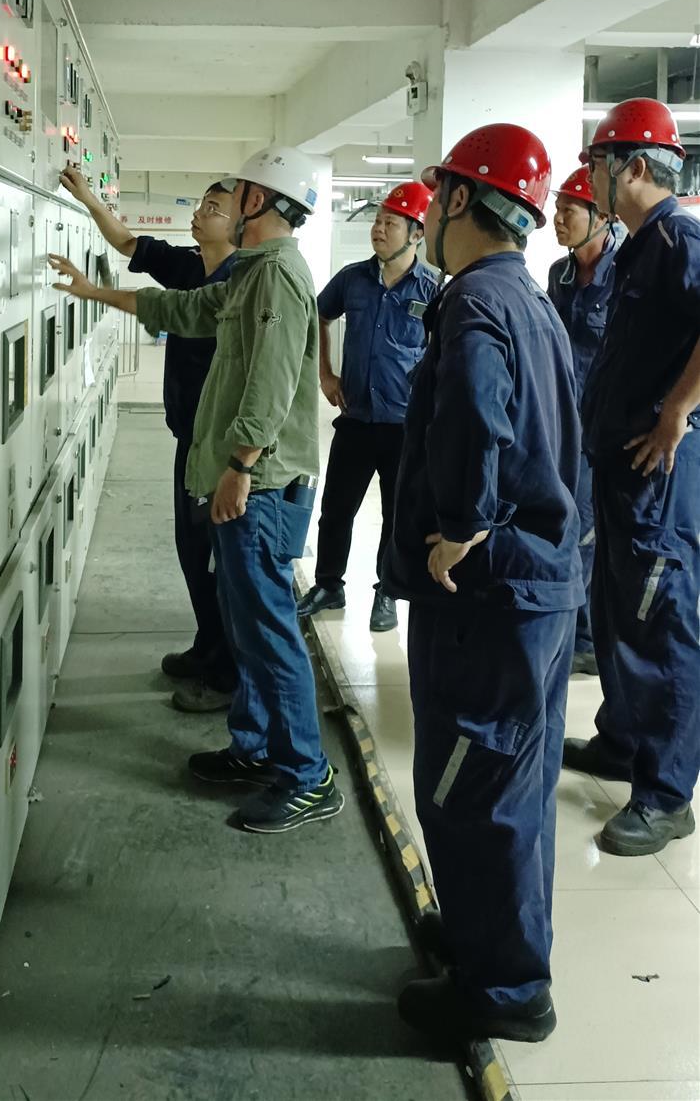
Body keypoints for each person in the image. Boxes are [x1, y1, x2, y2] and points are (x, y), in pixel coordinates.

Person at [51, 145, 344, 836]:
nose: (225, 202)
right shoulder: (251, 272)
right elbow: (183, 309)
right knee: (244, 626)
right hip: (243, 481)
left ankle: (308, 776)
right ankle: (255, 748)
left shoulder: (279, 276)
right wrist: (95, 293)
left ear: (256, 201)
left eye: (234, 193)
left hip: (262, 487)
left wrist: (239, 465)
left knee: (269, 631)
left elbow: (271, 383)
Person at [382, 123, 583, 1046]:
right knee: (515, 782)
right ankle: (486, 940)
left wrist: (461, 526)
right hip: (539, 586)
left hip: (490, 596)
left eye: (437, 195)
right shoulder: (529, 298)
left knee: (473, 782)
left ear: (461, 198)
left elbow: (474, 410)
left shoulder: (471, 304)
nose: (426, 215)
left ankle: (504, 988)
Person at [562, 99, 700, 858]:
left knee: (660, 622)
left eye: (598, 164)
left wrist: (678, 409)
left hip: (658, 475)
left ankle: (667, 794)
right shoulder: (639, 247)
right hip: (617, 466)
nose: (590, 178)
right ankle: (621, 739)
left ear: (635, 167)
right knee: (616, 609)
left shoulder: (680, 238)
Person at [58, 165, 238, 711]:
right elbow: (127, 242)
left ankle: (227, 675)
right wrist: (88, 197)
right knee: (192, 551)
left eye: (213, 209)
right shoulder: (189, 265)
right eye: (201, 204)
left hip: (221, 446)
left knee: (218, 559)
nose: (199, 214)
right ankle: (207, 646)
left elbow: (166, 309)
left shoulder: (239, 282)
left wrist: (94, 292)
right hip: (190, 436)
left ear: (240, 223)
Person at [296, 182, 438, 632]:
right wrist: (325, 373)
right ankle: (328, 585)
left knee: (396, 516)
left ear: (416, 233)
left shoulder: (433, 289)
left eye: (390, 223)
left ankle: (387, 592)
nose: (378, 229)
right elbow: (318, 315)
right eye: (377, 222)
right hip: (356, 419)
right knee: (337, 509)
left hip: (404, 427)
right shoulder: (352, 279)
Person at [547, 168, 620, 676]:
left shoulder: (626, 274)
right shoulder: (559, 274)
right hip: (561, 427)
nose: (557, 220)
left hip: (603, 432)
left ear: (600, 216)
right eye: (556, 210)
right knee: (564, 526)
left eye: (568, 211)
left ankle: (586, 639)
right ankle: (571, 629)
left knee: (588, 535)